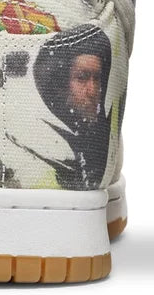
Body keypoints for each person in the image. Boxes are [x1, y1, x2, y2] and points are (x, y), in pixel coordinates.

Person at [33, 25, 112, 190]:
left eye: (97, 78)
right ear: (61, 86)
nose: (93, 91)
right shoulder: (45, 144)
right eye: (82, 78)